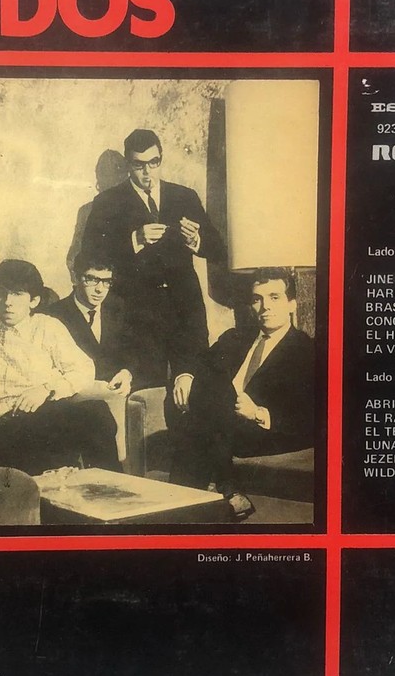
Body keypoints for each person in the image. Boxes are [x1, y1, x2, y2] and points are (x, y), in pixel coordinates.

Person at [0, 259, 119, 473]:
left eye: (17, 294)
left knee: (97, 412)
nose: (7, 302)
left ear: (34, 300)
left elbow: (83, 369)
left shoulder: (47, 327)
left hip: (39, 416)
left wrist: (45, 389)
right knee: (19, 439)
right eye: (1, 293)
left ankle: (111, 486)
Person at [166, 269, 315, 519]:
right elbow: (200, 362)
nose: (265, 307)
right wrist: (185, 375)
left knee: (195, 426)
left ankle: (178, 510)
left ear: (292, 304)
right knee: (208, 397)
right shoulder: (235, 338)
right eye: (257, 299)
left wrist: (257, 413)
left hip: (263, 431)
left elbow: (310, 414)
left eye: (274, 297)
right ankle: (225, 490)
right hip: (221, 424)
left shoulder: (307, 351)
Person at [81, 128, 225, 387]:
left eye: (153, 163)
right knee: (145, 390)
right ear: (128, 165)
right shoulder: (106, 203)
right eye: (139, 165)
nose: (147, 172)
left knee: (193, 385)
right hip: (137, 314)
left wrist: (195, 240)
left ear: (161, 159)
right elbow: (89, 256)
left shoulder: (185, 196)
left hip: (185, 308)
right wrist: (134, 240)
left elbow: (217, 249)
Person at [40, 251, 136, 392]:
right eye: (91, 279)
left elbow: (133, 350)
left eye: (106, 282)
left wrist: (126, 373)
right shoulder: (53, 315)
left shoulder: (118, 308)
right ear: (75, 278)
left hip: (118, 390)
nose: (99, 289)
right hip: (74, 395)